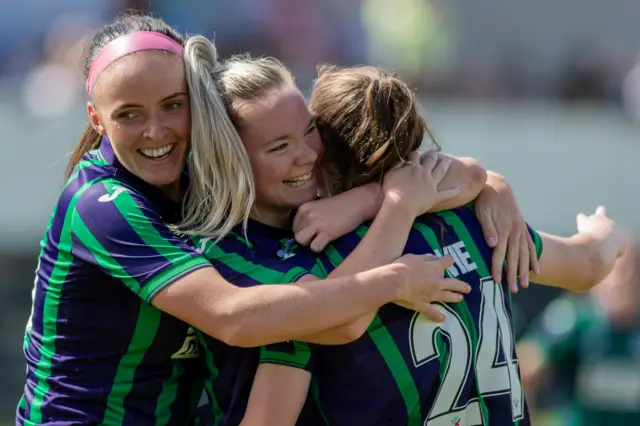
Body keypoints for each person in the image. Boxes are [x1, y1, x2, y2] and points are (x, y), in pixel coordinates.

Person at [17, 15, 470, 426]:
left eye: (173, 105)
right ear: (96, 118)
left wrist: (375, 197)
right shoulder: (103, 205)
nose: (156, 131)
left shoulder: (199, 185)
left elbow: (445, 175)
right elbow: (234, 317)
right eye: (129, 115)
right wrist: (390, 281)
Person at [232, 65, 626, 426]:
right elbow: (588, 263)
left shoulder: (315, 272)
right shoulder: (476, 221)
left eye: (309, 134)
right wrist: (607, 233)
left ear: (325, 156)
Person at [183, 52, 540, 424]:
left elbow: (470, 175)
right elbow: (339, 319)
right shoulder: (233, 254)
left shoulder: (342, 230)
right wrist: (395, 211)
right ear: (230, 159)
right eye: (279, 147)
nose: (307, 155)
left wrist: (371, 200)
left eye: (310, 131)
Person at [518, 238, 640, 426]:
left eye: (632, 271)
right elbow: (527, 366)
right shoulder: (574, 319)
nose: (623, 280)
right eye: (617, 271)